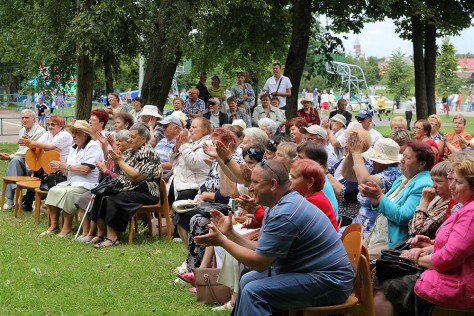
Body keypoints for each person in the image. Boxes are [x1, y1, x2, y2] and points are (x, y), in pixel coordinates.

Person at [194, 160, 354, 315]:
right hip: (312, 274)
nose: (250, 188)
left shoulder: (285, 213)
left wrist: (222, 241)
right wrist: (230, 234)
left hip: (332, 283)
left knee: (254, 292)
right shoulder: (279, 205)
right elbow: (263, 251)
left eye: (255, 183)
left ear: (273, 184)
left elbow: (259, 263)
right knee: (247, 280)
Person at [373, 155, 474, 315]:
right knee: (384, 274)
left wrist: (415, 257)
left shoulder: (470, 212)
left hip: (460, 284)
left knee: (386, 288)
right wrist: (431, 245)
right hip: (452, 274)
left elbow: (449, 257)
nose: (452, 186)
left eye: (458, 182)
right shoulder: (463, 206)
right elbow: (455, 245)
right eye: (451, 180)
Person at [89, 123, 162, 248]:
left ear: (143, 139)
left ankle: (112, 238)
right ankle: (101, 233)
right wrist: (117, 160)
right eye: (129, 137)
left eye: (133, 137)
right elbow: (120, 173)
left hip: (146, 191)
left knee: (112, 198)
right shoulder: (130, 152)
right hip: (129, 187)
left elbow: (136, 176)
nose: (130, 140)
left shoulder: (148, 153)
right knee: (101, 194)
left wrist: (120, 161)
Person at [359, 140, 434, 260]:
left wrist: (379, 197)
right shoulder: (403, 178)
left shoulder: (423, 184)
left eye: (407, 158)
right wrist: (374, 198)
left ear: (421, 164)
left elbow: (403, 216)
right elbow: (384, 203)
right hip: (378, 235)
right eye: (402, 155)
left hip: (394, 242)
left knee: (356, 260)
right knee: (348, 254)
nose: (402, 160)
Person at [41, 121, 104, 237]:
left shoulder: (92, 146)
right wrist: (60, 166)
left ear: (85, 134)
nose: (73, 135)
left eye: (77, 133)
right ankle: (54, 226)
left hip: (88, 184)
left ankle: (67, 228)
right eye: (73, 133)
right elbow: (69, 168)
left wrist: (66, 166)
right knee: (53, 190)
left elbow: (86, 169)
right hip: (72, 182)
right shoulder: (74, 148)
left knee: (68, 194)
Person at [75, 129, 131, 242]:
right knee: (82, 198)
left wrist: (105, 170)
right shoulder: (114, 155)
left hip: (117, 188)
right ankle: (87, 232)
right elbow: (108, 171)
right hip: (106, 185)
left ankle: (94, 233)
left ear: (129, 143)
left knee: (97, 198)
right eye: (117, 141)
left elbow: (120, 178)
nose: (118, 143)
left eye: (121, 141)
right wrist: (102, 169)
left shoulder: (128, 157)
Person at [344, 137, 402, 239]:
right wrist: (351, 152)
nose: (371, 160)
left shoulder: (394, 174)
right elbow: (347, 174)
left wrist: (357, 153)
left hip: (372, 231)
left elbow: (365, 182)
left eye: (375, 158)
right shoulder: (375, 168)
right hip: (359, 224)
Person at [168, 117, 212, 240]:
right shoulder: (190, 143)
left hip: (196, 186)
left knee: (183, 198)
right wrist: (177, 147)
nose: (190, 129)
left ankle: (179, 233)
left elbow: (194, 162)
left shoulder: (207, 144)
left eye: (194, 127)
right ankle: (177, 231)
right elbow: (173, 162)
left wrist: (185, 145)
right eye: (190, 126)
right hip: (181, 183)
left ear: (204, 130)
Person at [0, 109, 46, 209]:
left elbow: (30, 151)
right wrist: (12, 156)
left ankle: (10, 197)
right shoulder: (22, 130)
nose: (24, 120)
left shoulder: (41, 132)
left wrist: (10, 156)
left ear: (34, 119)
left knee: (14, 159)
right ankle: (10, 200)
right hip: (23, 159)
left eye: (27, 118)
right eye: (22, 118)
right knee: (15, 161)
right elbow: (21, 150)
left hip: (35, 164)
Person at [408, 161, 453, 239]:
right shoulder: (436, 198)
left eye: (438, 181)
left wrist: (424, 202)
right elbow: (411, 224)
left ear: (451, 182)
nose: (433, 185)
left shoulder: (450, 206)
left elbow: (416, 231)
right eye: (433, 180)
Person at [291, 159, 338, 230]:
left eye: (293, 177)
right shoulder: (314, 195)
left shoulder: (312, 202)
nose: (289, 181)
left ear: (310, 182)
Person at [155, 114, 183, 180]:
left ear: (176, 128)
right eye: (162, 126)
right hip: (154, 174)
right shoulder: (162, 140)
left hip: (168, 178)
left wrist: (155, 165)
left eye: (165, 126)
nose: (163, 129)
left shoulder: (181, 142)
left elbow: (178, 165)